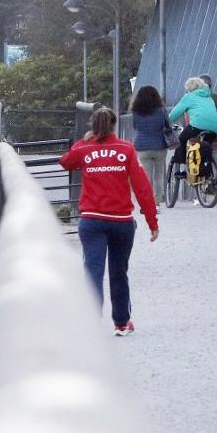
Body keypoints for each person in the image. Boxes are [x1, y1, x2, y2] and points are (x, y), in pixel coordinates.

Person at [59, 106, 159, 337]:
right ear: (114, 125)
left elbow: (65, 162)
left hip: (92, 221)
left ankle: (90, 320)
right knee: (118, 271)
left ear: (92, 126)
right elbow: (142, 187)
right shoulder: (126, 149)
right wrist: (152, 222)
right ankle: (122, 323)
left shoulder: (84, 148)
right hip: (121, 221)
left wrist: (84, 142)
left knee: (93, 270)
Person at [168, 77, 217, 179]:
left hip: (198, 125)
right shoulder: (208, 97)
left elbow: (174, 115)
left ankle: (182, 171)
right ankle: (207, 173)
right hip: (215, 128)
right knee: (205, 147)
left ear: (189, 88)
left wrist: (166, 123)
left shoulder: (189, 96)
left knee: (182, 140)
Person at [129, 86, 171, 204]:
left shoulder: (136, 111)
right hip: (159, 145)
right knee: (159, 175)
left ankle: (148, 202)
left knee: (146, 177)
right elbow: (167, 124)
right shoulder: (161, 110)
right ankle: (156, 202)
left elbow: (135, 126)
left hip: (142, 146)